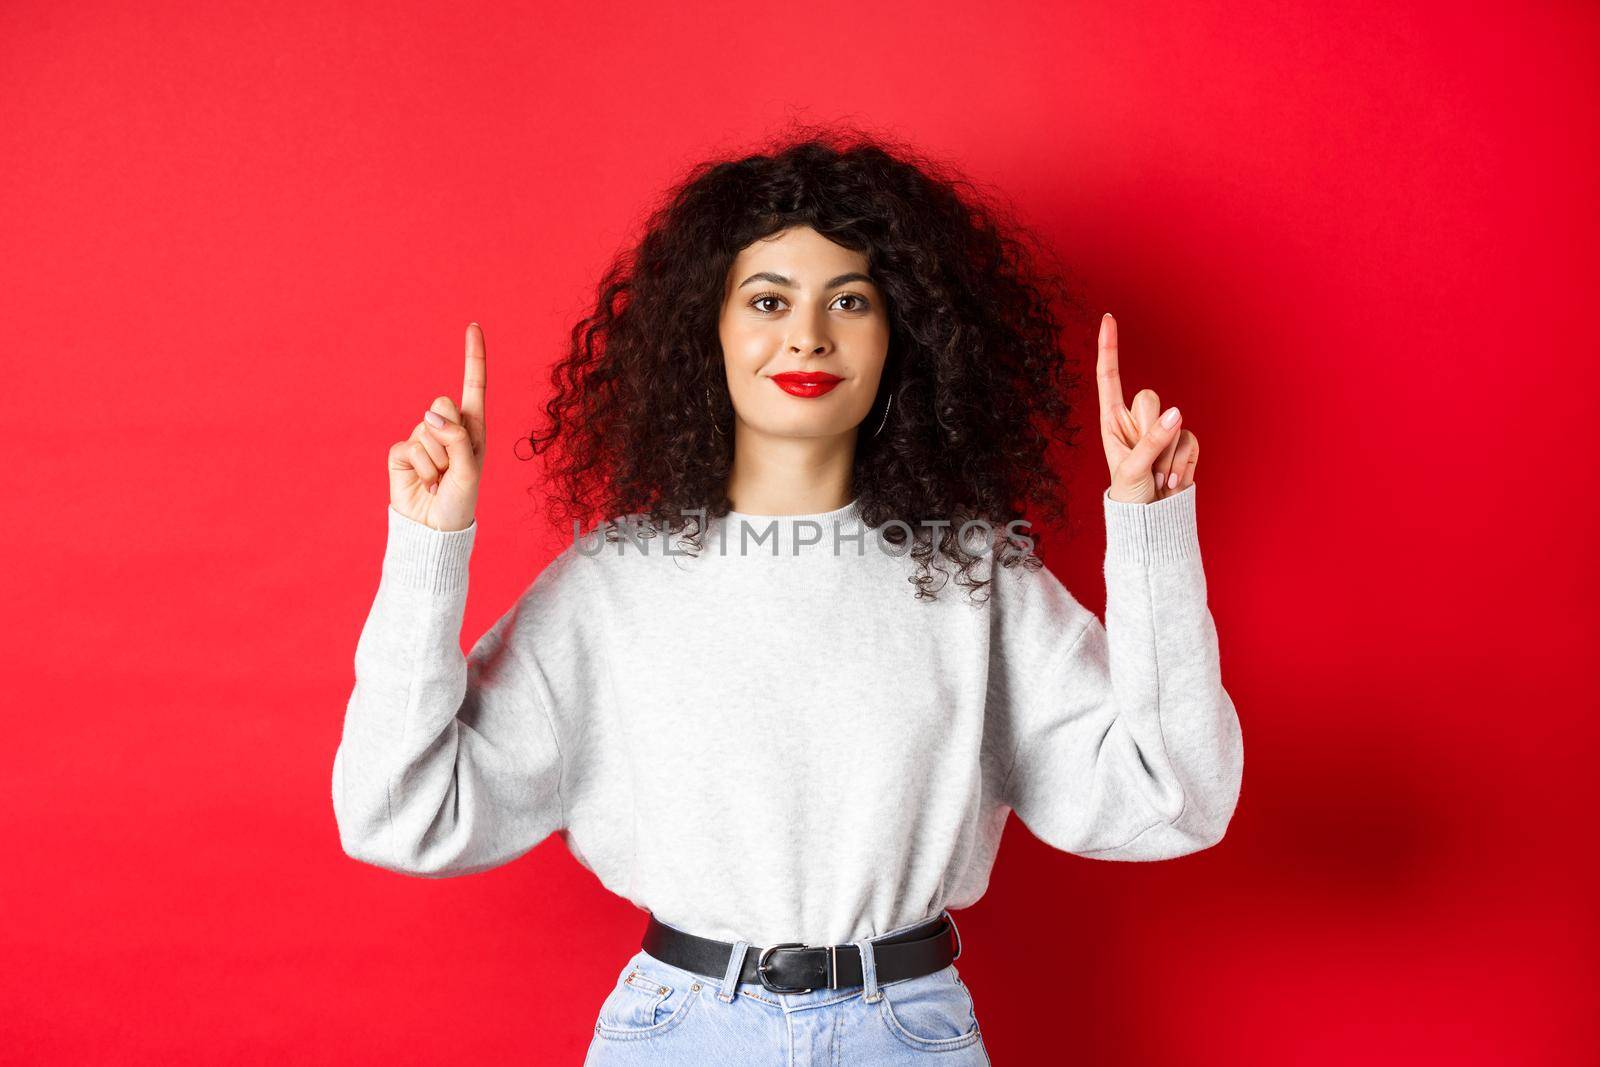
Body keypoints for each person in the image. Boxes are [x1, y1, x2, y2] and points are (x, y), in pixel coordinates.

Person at [330, 127, 1243, 1065]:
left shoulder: (977, 575)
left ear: (902, 337)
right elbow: (399, 813)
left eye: (850, 300)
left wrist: (1151, 532)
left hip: (908, 1033)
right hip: (679, 1033)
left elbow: (1174, 798)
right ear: (708, 330)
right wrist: (429, 547)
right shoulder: (615, 582)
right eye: (768, 299)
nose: (809, 333)